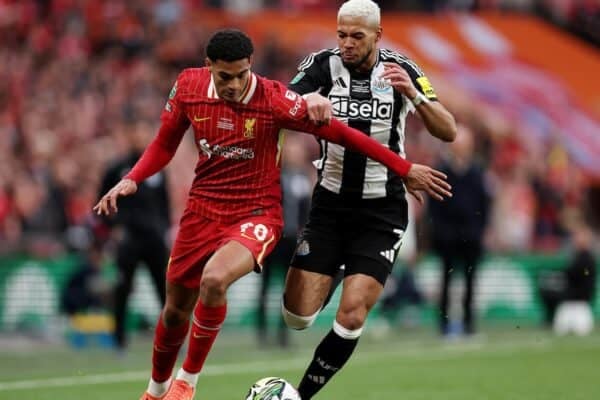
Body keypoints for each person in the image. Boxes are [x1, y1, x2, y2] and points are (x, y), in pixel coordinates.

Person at [94, 29, 451, 400]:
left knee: (215, 280)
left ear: (250, 66)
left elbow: (346, 136)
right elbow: (165, 142)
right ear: (208, 68)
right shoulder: (187, 86)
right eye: (224, 76)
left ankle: (187, 382)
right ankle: (155, 390)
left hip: (256, 213)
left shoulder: (274, 99)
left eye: (241, 74)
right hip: (201, 211)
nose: (234, 84)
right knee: (174, 312)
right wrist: (132, 179)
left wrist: (403, 167)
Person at [280, 1, 457, 398]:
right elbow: (283, 103)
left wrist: (415, 95)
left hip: (382, 210)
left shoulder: (402, 69)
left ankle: (299, 395)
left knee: (352, 310)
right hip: (329, 205)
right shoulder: (321, 66)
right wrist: (305, 102)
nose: (346, 44)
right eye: (341, 34)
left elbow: (449, 130)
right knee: (297, 317)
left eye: (356, 36)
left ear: (377, 35)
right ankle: (339, 268)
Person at [98, 120, 171, 351]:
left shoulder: (158, 169)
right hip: (129, 239)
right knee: (123, 290)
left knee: (164, 291)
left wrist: (164, 230)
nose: (140, 137)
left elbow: (164, 204)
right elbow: (101, 203)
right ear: (129, 135)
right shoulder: (116, 170)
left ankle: (171, 340)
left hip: (154, 240)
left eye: (144, 132)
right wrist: (115, 227)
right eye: (136, 132)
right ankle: (119, 340)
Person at [428, 124, 490, 336]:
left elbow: (484, 204)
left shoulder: (477, 171)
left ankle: (469, 323)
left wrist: (480, 230)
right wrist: (439, 231)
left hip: (471, 237)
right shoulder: (442, 170)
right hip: (447, 237)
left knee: (471, 282)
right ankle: (444, 324)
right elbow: (433, 205)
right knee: (446, 280)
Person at [257, 133, 313, 348]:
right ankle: (262, 332)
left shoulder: (303, 177)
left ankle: (282, 335)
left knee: (287, 289)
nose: (294, 154)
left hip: (292, 240)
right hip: (273, 238)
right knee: (265, 286)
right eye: (290, 151)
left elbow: (306, 210)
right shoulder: (275, 175)